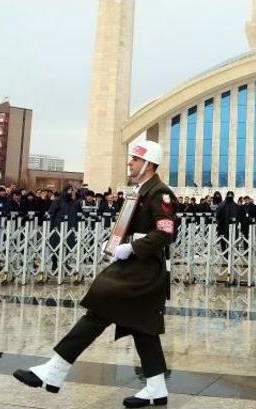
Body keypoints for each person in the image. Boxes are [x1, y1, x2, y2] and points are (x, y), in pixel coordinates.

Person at [13, 140, 176, 408]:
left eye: (135, 159)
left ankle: (55, 369)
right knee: (143, 328)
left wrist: (131, 247)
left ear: (148, 164)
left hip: (142, 270)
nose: (130, 163)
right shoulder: (140, 192)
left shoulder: (160, 194)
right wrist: (113, 243)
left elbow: (166, 233)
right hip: (133, 266)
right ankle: (156, 388)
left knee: (100, 306)